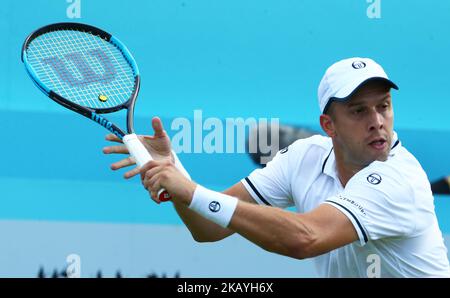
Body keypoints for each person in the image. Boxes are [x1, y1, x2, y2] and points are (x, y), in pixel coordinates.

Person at [103, 57, 450, 277]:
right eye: (359, 111)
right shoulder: (305, 157)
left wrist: (191, 191)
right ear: (329, 125)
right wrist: (175, 172)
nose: (377, 121)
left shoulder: (398, 179)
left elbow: (304, 238)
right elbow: (209, 229)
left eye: (384, 107)